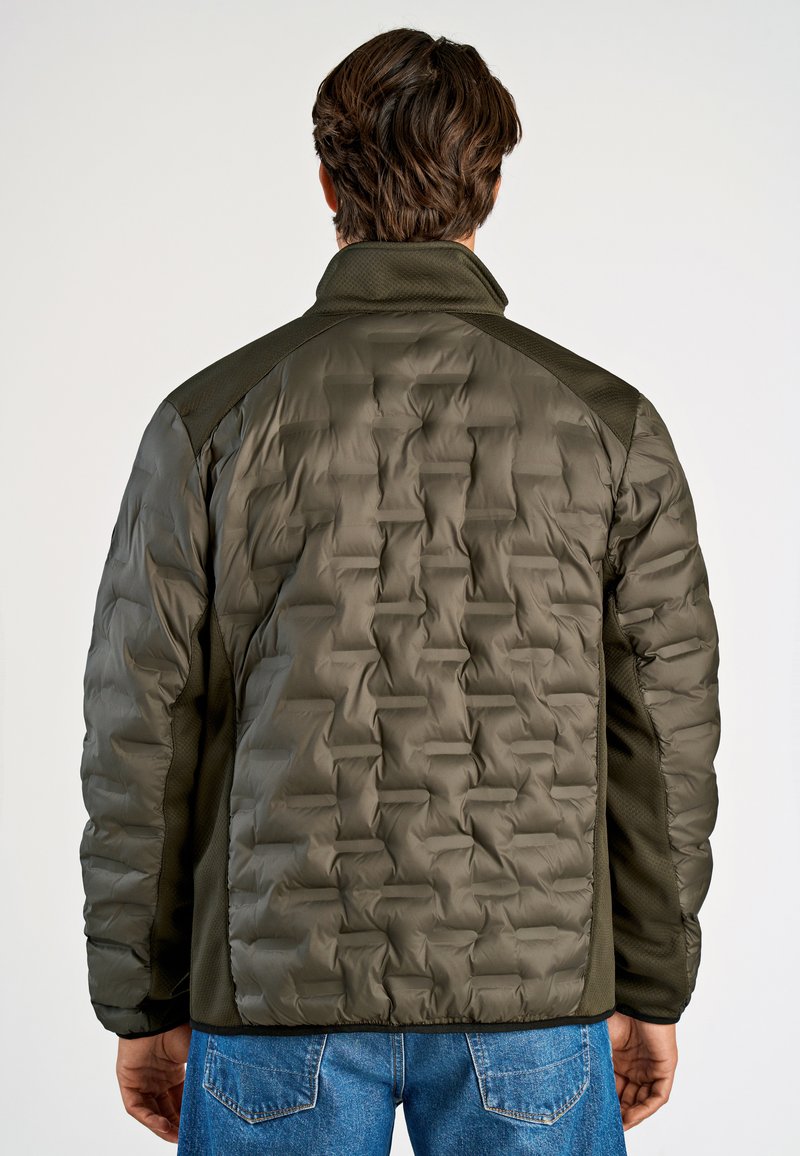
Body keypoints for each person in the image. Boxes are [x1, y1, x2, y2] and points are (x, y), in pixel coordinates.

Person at [78, 26, 721, 1155]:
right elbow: (662, 736)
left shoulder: (208, 420)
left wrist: (142, 1000)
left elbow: (141, 728)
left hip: (272, 995)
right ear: (492, 185)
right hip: (534, 994)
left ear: (327, 185)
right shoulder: (610, 426)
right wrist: (654, 981)